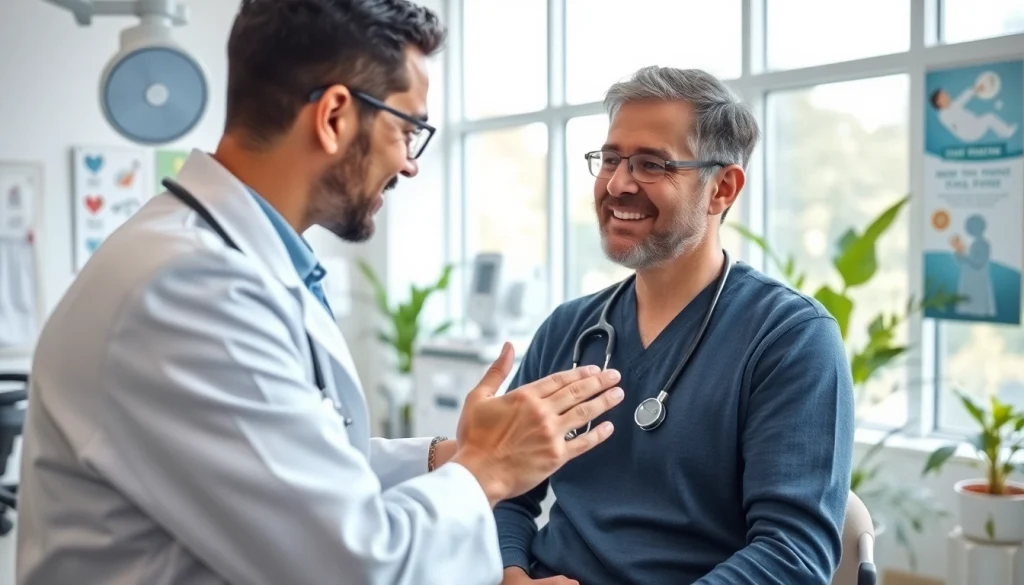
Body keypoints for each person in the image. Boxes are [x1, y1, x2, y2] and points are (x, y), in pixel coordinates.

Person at [14, 2, 625, 584]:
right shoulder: (190, 289)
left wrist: (448, 455)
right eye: (408, 128)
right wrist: (486, 470)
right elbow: (353, 567)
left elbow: (294, 465)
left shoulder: (232, 263)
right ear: (334, 117)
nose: (411, 164)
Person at [495, 66, 856, 585]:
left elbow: (793, 554)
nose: (618, 184)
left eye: (651, 164)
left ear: (722, 189)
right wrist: (512, 574)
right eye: (612, 159)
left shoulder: (790, 338)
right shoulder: (569, 329)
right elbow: (505, 486)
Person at [930, 84, 1018, 143]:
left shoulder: (952, 106)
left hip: (972, 126)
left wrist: (975, 90)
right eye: (944, 95)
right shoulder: (943, 116)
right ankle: (1006, 133)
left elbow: (963, 97)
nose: (947, 94)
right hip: (970, 132)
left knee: (987, 118)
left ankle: (1004, 132)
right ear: (939, 102)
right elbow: (957, 114)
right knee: (989, 117)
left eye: (945, 93)